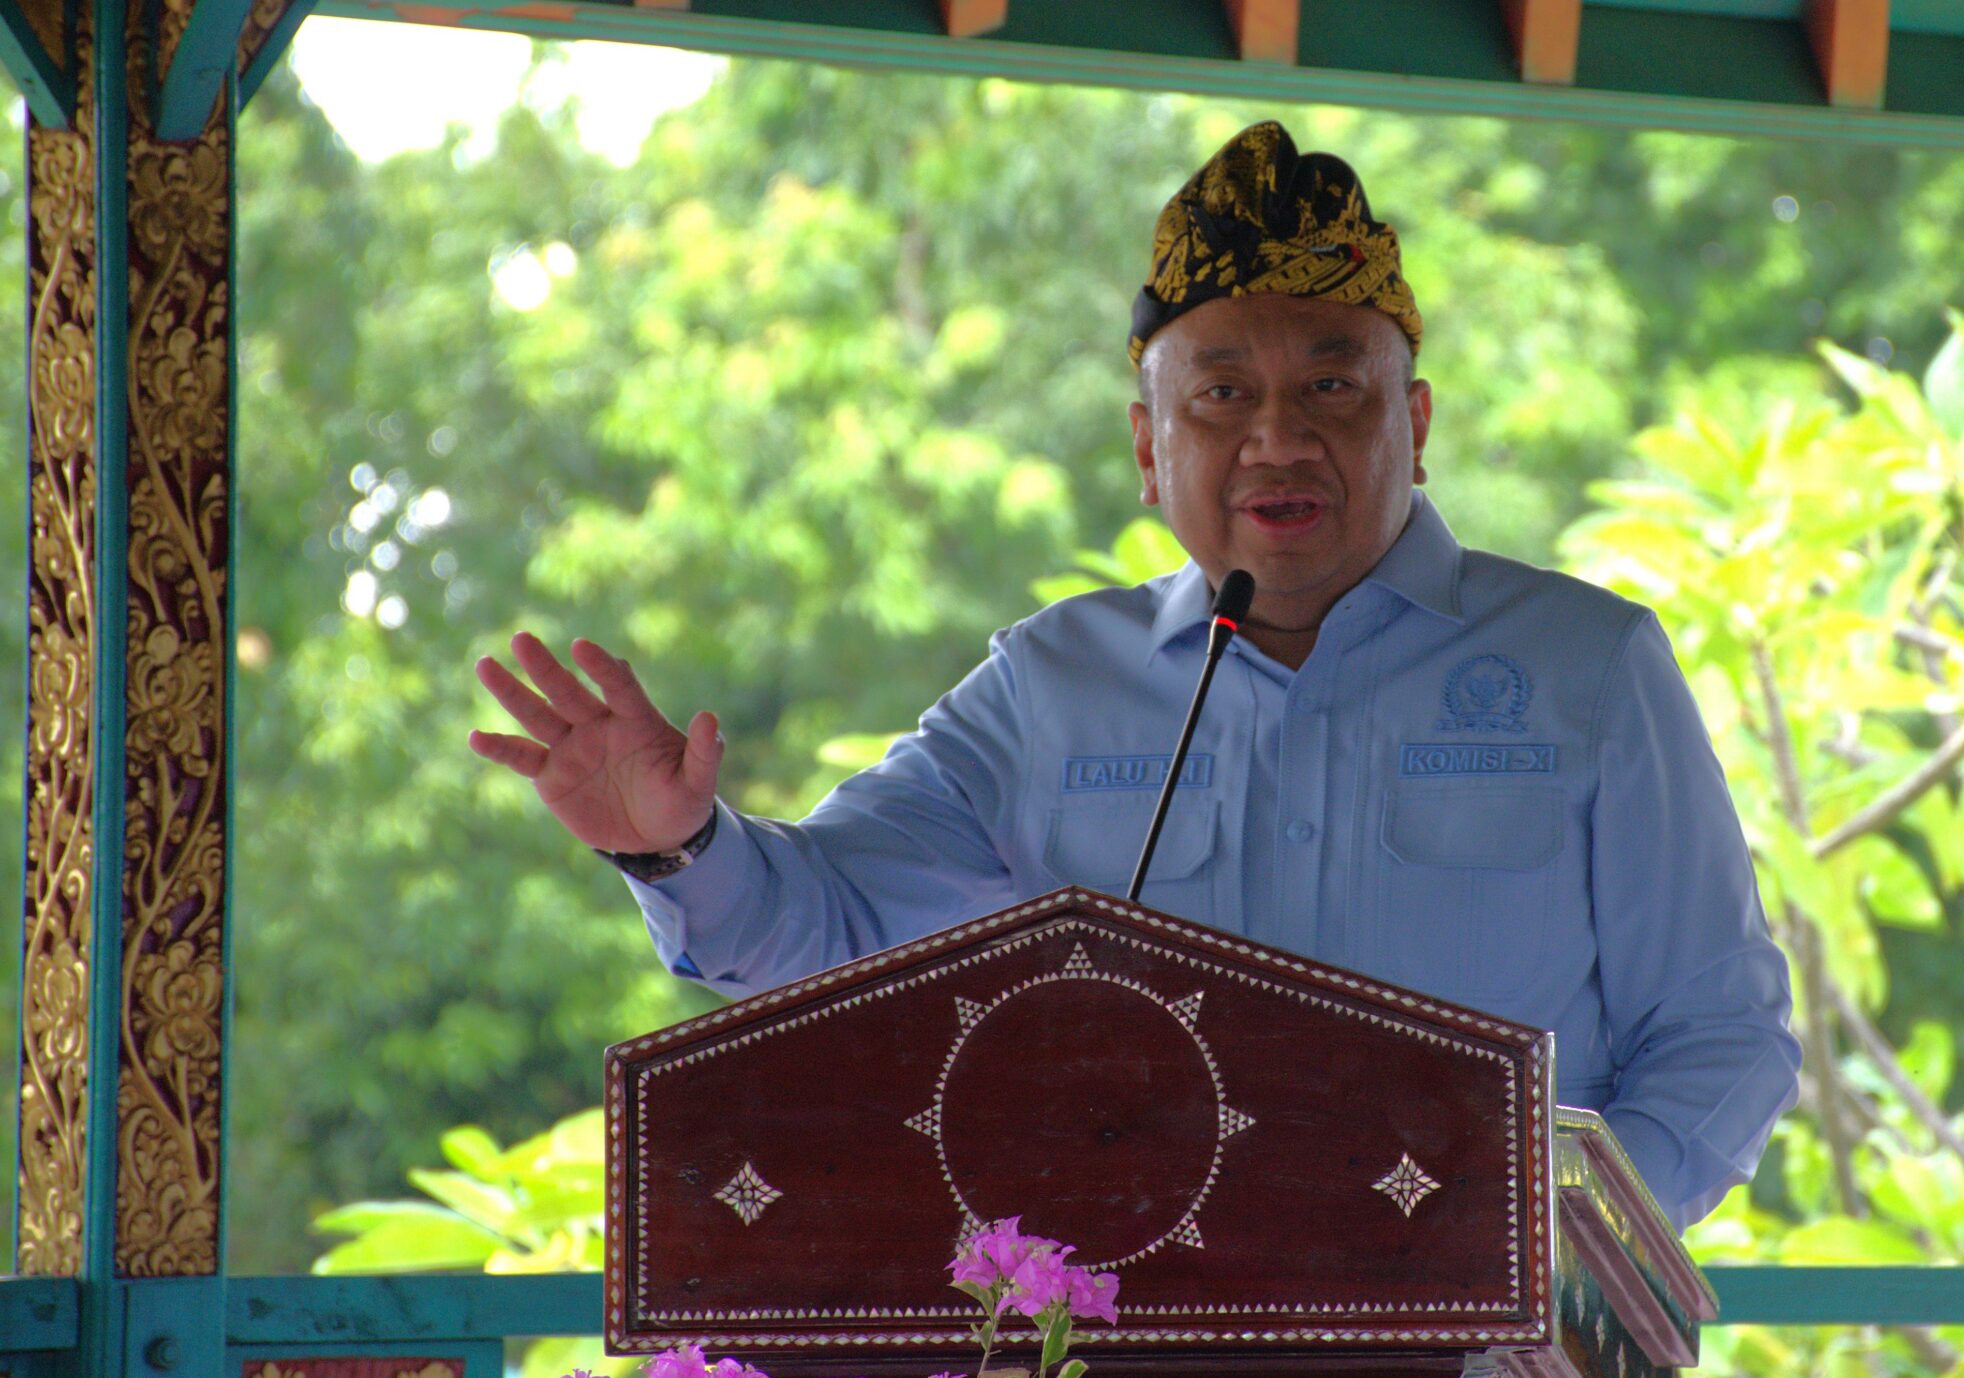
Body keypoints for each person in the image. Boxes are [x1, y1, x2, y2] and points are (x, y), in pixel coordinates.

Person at [469, 121, 1800, 1223]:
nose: (1279, 436)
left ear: (1419, 420)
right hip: (1144, 1355)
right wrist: (680, 845)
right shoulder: (1053, 685)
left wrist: (1561, 1255)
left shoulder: (1588, 666)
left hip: (1497, 1365)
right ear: (1149, 449)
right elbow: (826, 924)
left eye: (1334, 388)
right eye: (1219, 397)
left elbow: (1719, 1034)